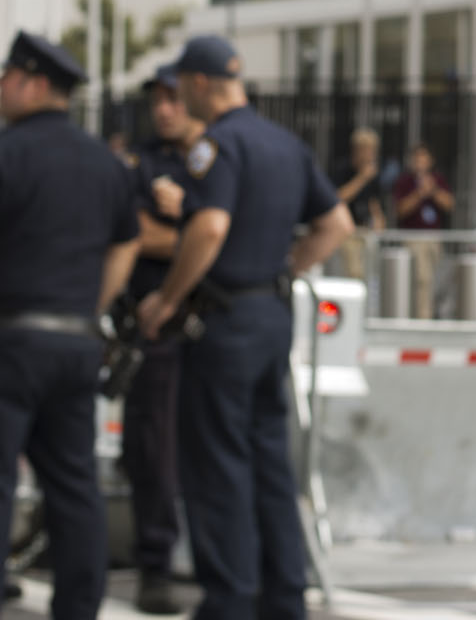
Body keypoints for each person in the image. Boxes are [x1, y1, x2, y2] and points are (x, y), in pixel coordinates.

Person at [136, 35, 353, 620]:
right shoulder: (284, 143)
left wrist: (165, 299)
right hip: (272, 316)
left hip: (225, 319)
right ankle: (284, 599)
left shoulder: (217, 146)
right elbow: (337, 222)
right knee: (270, 464)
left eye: (182, 85)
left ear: (201, 83)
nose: (179, 97)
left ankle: (228, 600)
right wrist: (287, 267)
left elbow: (208, 230)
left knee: (218, 467)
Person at [0, 30, 140, 619]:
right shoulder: (105, 163)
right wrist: (89, 305)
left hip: (12, 338)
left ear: (32, 82)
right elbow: (126, 245)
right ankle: (80, 608)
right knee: (74, 483)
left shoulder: (9, 153)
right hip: (78, 341)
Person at [119, 63, 205, 615]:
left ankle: (219, 559)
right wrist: (191, 235)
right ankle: (155, 563)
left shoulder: (218, 155)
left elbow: (231, 232)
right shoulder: (140, 161)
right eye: (158, 99)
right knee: (148, 449)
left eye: (173, 97)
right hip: (153, 328)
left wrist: (186, 224)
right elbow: (133, 231)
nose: (165, 108)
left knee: (210, 448)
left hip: (212, 329)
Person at [391, 142, 453, 318]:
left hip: (434, 237)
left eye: (424, 158)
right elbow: (400, 210)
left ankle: (429, 312)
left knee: (433, 280)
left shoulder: (437, 180)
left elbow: (449, 204)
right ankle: (422, 317)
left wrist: (432, 191)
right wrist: (419, 193)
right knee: (421, 280)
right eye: (417, 158)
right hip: (414, 237)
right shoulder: (405, 182)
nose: (420, 162)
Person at [328, 127, 387, 282]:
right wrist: (362, 178)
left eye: (373, 150)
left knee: (371, 274)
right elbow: (339, 198)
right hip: (347, 231)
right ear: (357, 150)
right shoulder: (342, 170)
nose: (371, 155)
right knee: (354, 273)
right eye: (367, 150)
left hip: (366, 230)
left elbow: (374, 202)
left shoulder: (374, 175)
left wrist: (379, 220)